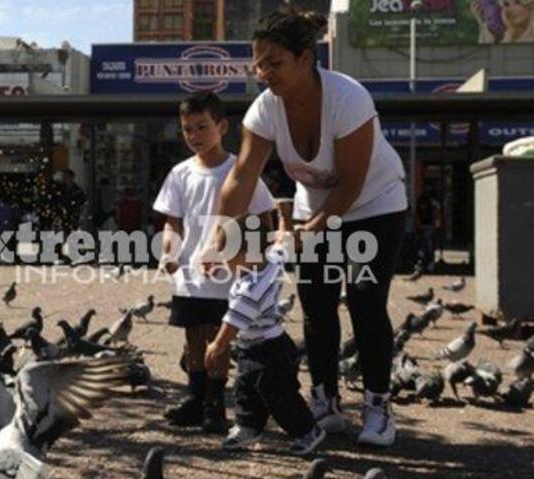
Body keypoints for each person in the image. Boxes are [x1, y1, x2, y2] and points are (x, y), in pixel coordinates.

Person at [205, 5, 407, 447]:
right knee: (316, 305)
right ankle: (326, 401)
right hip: (311, 208)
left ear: (304, 59)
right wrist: (219, 235)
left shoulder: (348, 98)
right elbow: (241, 176)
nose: (263, 73)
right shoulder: (264, 110)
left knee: (365, 299)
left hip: (375, 205)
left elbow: (351, 183)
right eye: (257, 63)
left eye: (273, 63)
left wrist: (315, 227)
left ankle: (377, 406)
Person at [153, 91, 275, 434]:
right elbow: (172, 221)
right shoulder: (179, 174)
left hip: (226, 274)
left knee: (217, 339)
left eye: (202, 127)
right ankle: (194, 397)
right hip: (190, 274)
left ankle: (216, 403)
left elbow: (264, 217)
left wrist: (250, 257)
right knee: (193, 337)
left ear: (222, 127)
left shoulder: (241, 170)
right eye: (187, 129)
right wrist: (169, 250)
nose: (194, 136)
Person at [204, 214, 325, 455]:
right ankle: (248, 426)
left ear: (246, 254)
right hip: (261, 345)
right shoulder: (269, 260)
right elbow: (283, 244)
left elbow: (233, 321)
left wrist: (217, 346)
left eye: (227, 256)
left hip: (268, 351)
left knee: (278, 395)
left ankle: (307, 430)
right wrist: (283, 217)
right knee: (246, 387)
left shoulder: (252, 290)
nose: (224, 261)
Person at [416, 188, 441, 271]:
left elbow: (418, 214)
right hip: (429, 226)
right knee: (429, 246)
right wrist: (436, 225)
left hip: (425, 227)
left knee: (424, 245)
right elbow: (436, 215)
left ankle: (422, 263)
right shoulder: (433, 203)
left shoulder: (421, 201)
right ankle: (428, 263)